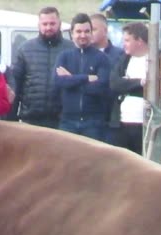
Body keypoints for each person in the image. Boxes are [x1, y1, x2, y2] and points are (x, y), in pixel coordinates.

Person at [11, 6, 71, 127]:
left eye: (52, 23)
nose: (48, 27)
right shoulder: (25, 49)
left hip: (62, 120)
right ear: (39, 25)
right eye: (45, 24)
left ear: (59, 24)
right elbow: (15, 86)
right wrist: (11, 120)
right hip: (31, 119)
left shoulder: (71, 49)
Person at [54, 12, 110, 140]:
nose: (83, 35)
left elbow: (100, 88)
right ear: (72, 33)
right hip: (67, 122)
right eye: (79, 31)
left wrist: (71, 78)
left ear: (91, 33)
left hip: (93, 124)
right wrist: (85, 78)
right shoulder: (64, 57)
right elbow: (59, 82)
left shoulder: (102, 59)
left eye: (87, 31)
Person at [109, 21, 153, 153]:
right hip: (122, 121)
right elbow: (114, 83)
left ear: (139, 40)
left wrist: (127, 83)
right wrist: (139, 82)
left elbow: (154, 85)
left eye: (127, 40)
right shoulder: (124, 59)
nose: (124, 44)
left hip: (145, 123)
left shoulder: (157, 58)